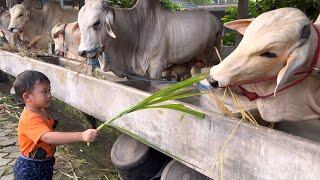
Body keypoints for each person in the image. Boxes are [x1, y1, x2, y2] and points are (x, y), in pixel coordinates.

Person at [12, 70, 98, 180]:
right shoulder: (30, 119)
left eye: (49, 90)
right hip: (31, 169)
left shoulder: (40, 110)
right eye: (44, 92)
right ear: (27, 97)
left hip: (44, 164)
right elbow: (48, 137)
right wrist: (81, 136)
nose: (49, 95)